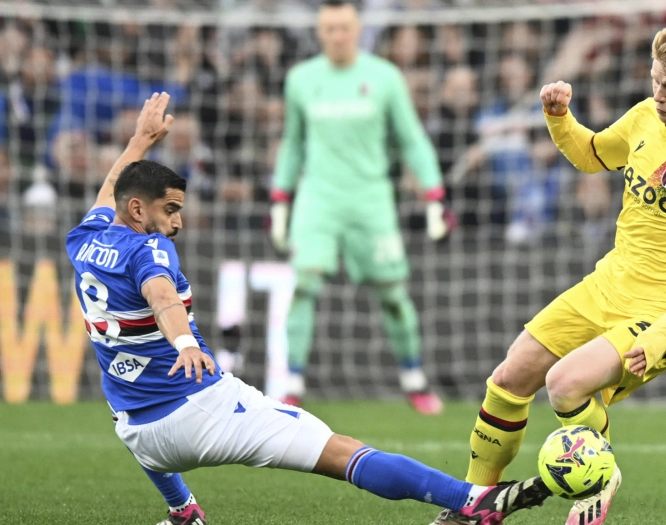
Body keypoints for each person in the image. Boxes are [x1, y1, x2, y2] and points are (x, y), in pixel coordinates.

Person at [65, 92, 551, 525]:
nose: (177, 223)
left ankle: (182, 511)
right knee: (342, 452)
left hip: (138, 434)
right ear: (138, 210)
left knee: (126, 389)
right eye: (170, 210)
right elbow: (162, 297)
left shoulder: (84, 238)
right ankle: (472, 500)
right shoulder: (149, 250)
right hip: (202, 411)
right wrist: (186, 343)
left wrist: (140, 141)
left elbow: (112, 190)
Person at [432, 22, 666, 525]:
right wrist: (559, 118)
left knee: (564, 384)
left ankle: (602, 479)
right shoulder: (644, 116)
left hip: (662, 311)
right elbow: (593, 154)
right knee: (509, 378)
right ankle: (473, 504)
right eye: (655, 80)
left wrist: (664, 332)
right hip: (608, 284)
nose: (659, 94)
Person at [269, 0, 451, 414]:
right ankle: (292, 383)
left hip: (371, 199)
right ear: (320, 32)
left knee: (393, 294)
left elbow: (412, 140)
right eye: (330, 29)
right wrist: (280, 199)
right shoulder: (301, 79)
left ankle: (414, 378)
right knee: (304, 285)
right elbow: (292, 143)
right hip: (318, 198)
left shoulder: (385, 77)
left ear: (357, 29)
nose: (338, 36)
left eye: (345, 28)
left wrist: (434, 195)